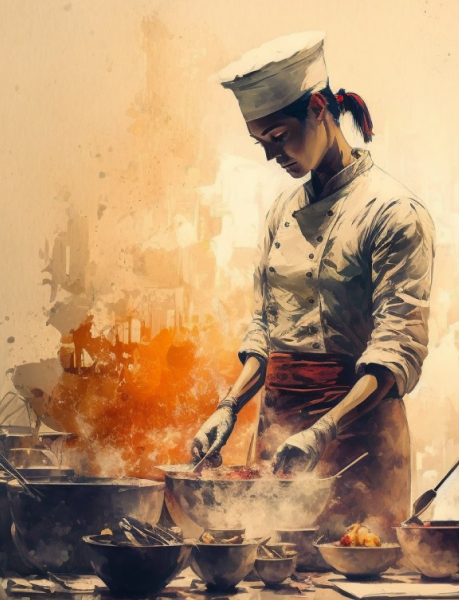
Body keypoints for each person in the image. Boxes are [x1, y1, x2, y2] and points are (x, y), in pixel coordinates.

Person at [190, 31, 435, 539]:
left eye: (278, 137)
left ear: (320, 107)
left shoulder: (394, 213)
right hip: (279, 431)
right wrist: (228, 407)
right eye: (261, 143)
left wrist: (324, 429)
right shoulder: (282, 213)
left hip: (358, 440)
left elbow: (396, 351)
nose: (271, 155)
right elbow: (265, 327)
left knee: (356, 567)